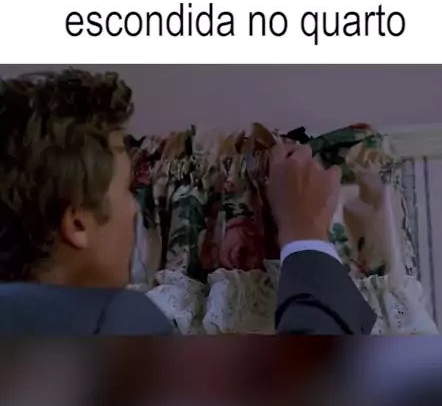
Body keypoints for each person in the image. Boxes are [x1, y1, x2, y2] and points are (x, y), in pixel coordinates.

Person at [0, 69, 375, 335]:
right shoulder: (117, 326)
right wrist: (305, 233)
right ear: (78, 224)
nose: (136, 207)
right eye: (126, 189)